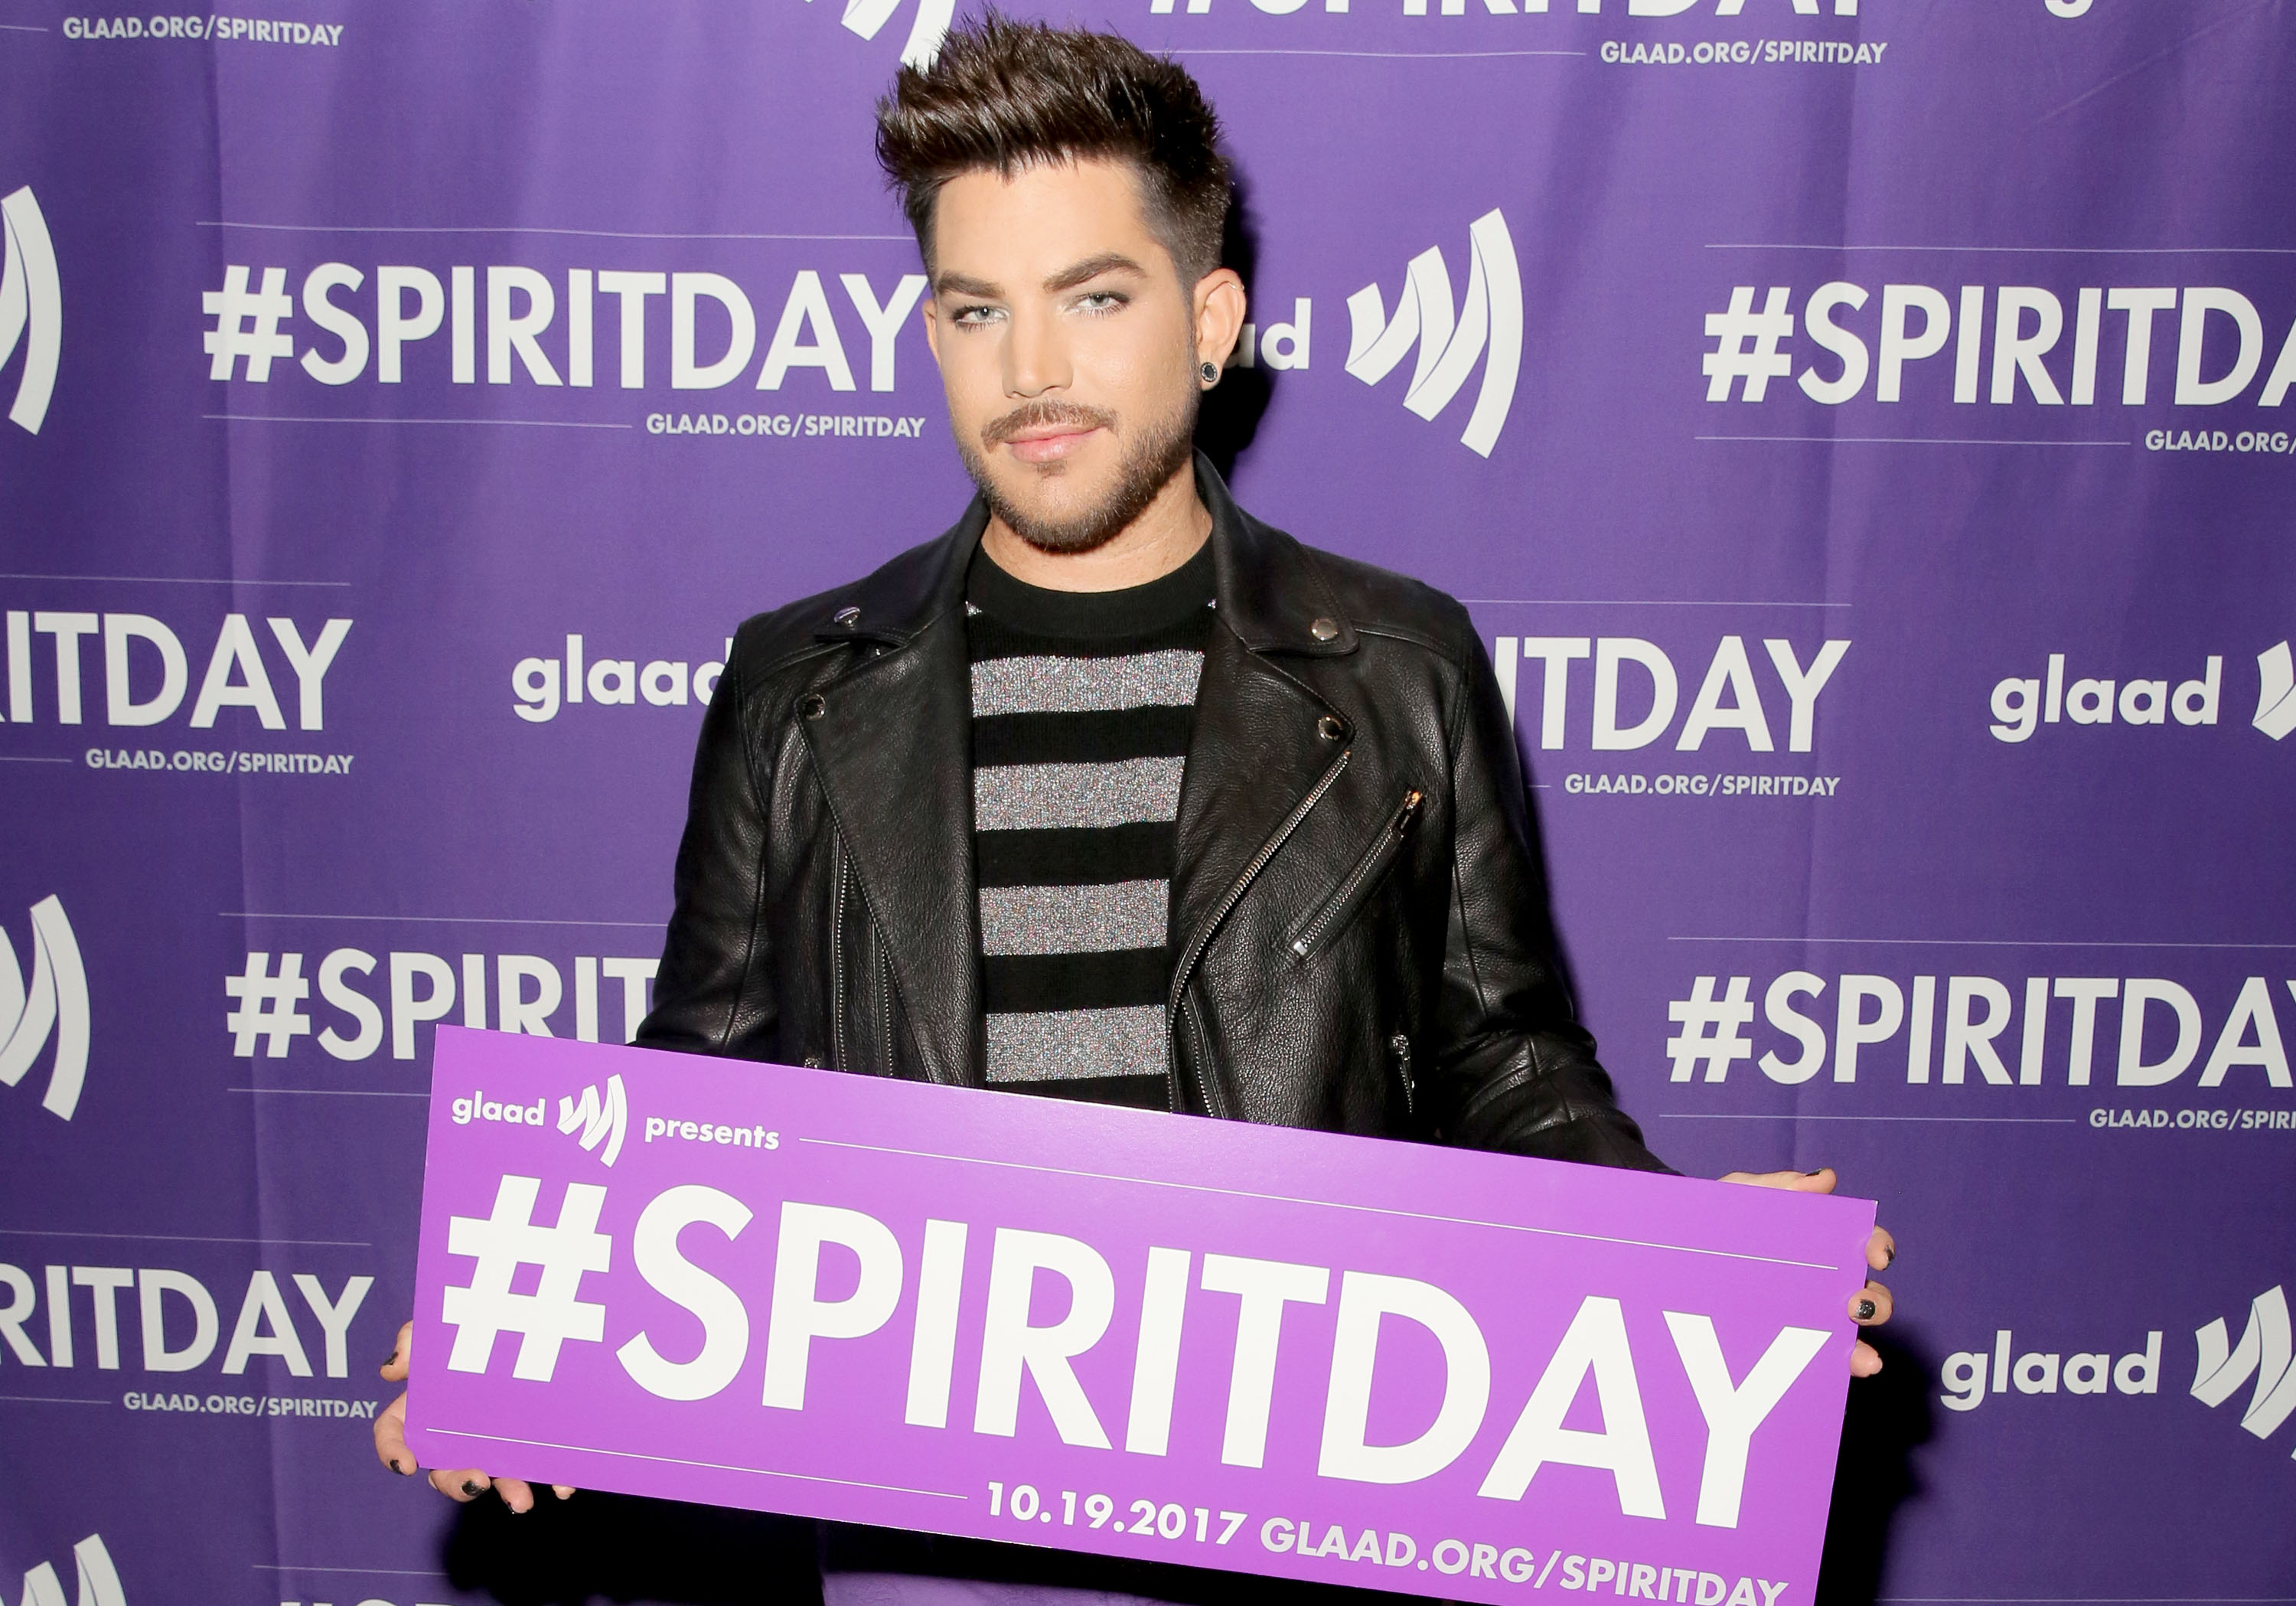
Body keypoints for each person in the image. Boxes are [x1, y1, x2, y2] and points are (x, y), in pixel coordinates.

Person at [376, 15, 1896, 1601]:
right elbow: (696, 1104)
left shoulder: (1396, 669)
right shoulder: (800, 690)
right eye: (978, 311)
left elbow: (1503, 1061)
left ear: (1212, 316)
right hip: (917, 1548)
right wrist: (513, 1342)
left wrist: (1687, 1277)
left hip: (1301, 1538)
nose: (1034, 370)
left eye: (1095, 298)